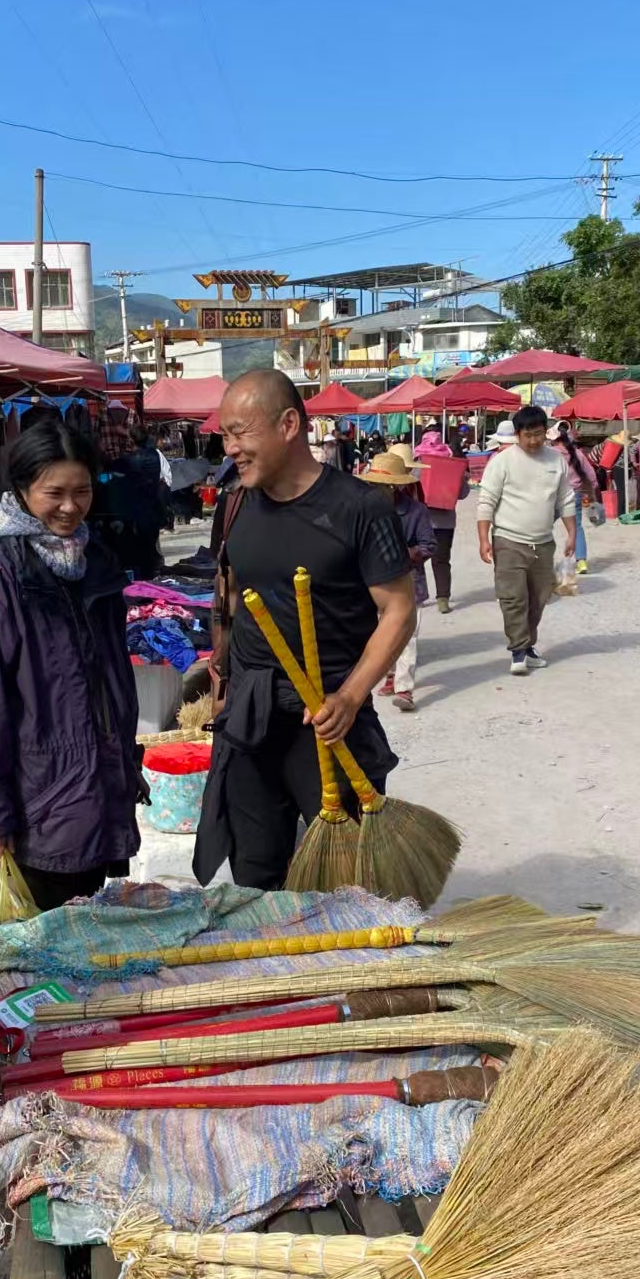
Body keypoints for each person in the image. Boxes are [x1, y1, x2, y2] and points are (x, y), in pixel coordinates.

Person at [194, 369, 415, 889]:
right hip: (250, 719)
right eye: (224, 435)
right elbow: (228, 594)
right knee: (254, 872)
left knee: (347, 880)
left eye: (240, 433)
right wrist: (222, 681)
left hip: (325, 715)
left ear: (289, 424)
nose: (230, 449)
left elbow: (399, 609)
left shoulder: (360, 509)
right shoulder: (235, 504)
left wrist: (352, 696)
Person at [0, 412, 144, 912]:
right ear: (20, 490)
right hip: (35, 808)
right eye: (54, 493)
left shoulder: (93, 561)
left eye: (82, 491)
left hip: (96, 790)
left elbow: (112, 684)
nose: (71, 507)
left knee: (87, 948)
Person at [477, 404, 575, 676]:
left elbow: (566, 498)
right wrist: (484, 539)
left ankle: (528, 645)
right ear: (517, 434)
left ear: (546, 433)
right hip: (508, 540)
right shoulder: (502, 462)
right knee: (513, 597)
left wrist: (572, 533)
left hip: (543, 542)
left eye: (539, 435)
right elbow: (486, 502)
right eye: (528, 435)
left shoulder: (556, 460)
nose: (534, 441)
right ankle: (518, 650)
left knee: (540, 597)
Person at [365, 451, 435, 712]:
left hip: (408, 582)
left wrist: (403, 555)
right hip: (371, 584)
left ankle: (405, 690)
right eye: (374, 484)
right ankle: (391, 674)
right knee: (379, 632)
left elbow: (429, 545)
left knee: (407, 635)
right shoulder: (361, 510)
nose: (377, 490)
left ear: (395, 485)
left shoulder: (416, 511)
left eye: (382, 485)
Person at [415, 429, 469, 613]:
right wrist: (462, 480)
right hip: (445, 522)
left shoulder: (418, 465)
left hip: (420, 521)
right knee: (442, 561)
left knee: (414, 559)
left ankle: (414, 594)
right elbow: (463, 494)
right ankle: (443, 598)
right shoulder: (452, 465)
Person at [550, 420, 600, 576]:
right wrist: (592, 492)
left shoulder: (549, 454)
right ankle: (582, 562)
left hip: (554, 496)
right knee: (576, 527)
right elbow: (591, 476)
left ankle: (544, 560)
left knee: (544, 526)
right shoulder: (577, 453)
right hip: (575, 495)